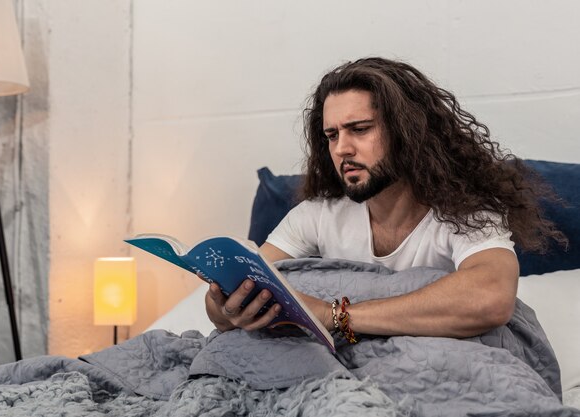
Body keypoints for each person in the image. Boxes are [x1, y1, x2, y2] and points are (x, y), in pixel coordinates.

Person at [205, 57, 566, 339]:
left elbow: (492, 296)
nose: (342, 148)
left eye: (359, 129)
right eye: (331, 135)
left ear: (406, 133)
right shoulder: (315, 216)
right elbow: (244, 285)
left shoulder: (466, 216)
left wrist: (336, 315)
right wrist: (224, 309)